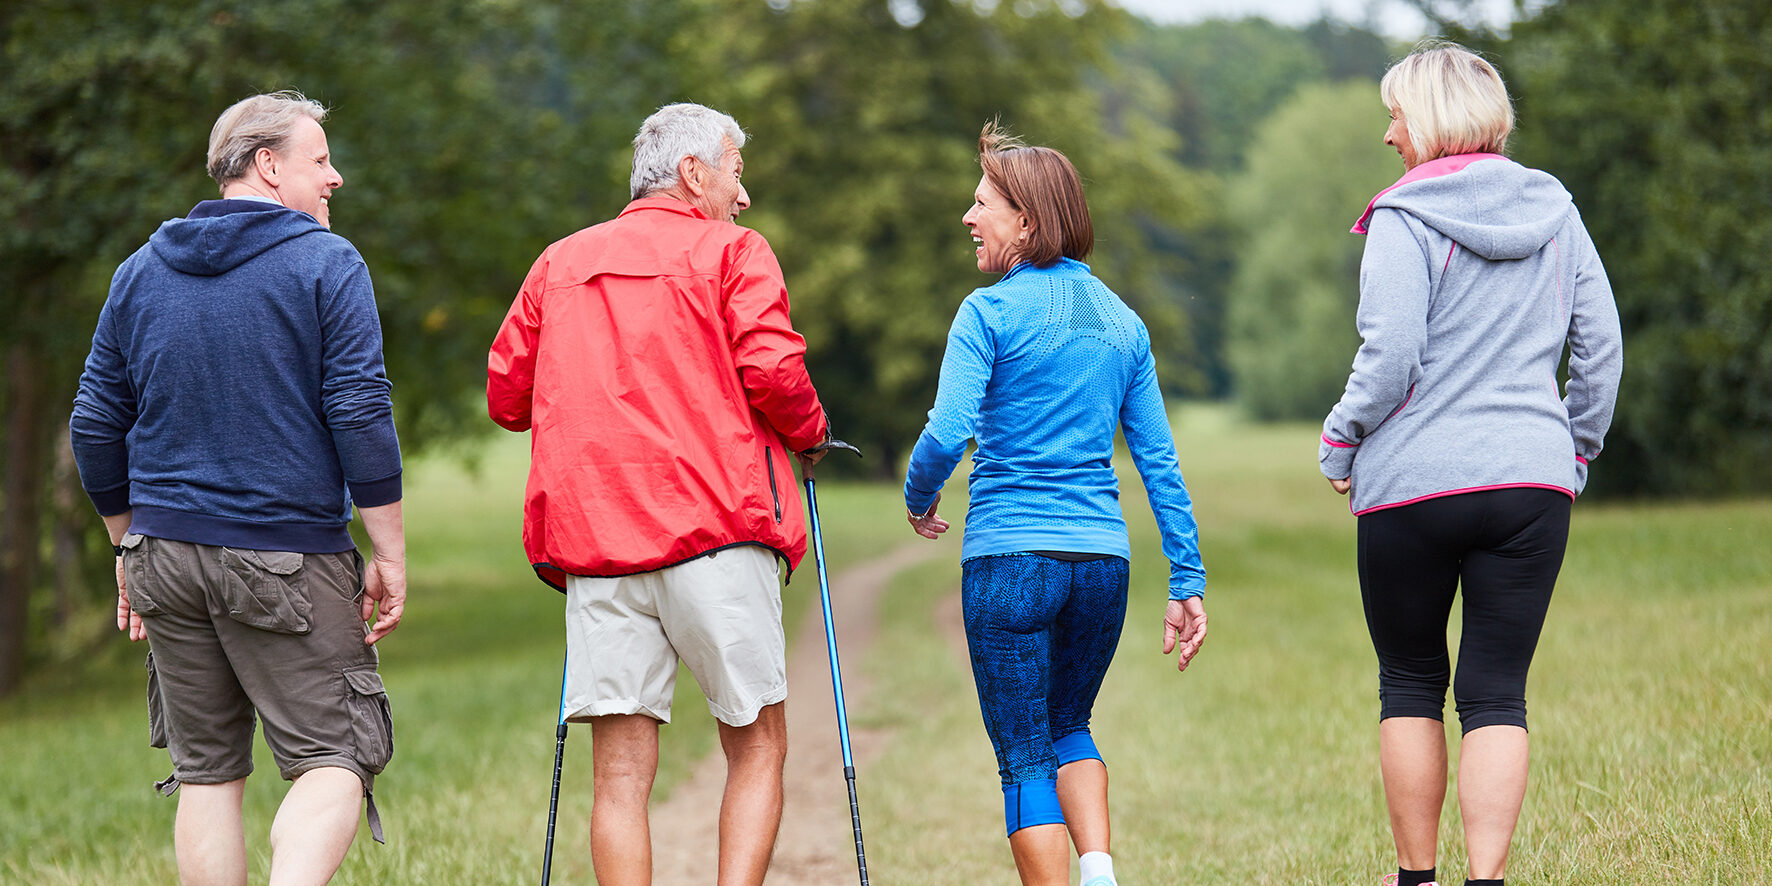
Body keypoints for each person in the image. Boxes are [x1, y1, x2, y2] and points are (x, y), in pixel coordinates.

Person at [486, 102, 830, 886]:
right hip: (717, 530)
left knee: (618, 777)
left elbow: (506, 396)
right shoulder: (734, 252)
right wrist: (811, 434)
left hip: (599, 549)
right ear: (693, 172)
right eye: (737, 173)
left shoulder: (559, 262)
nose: (743, 196)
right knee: (757, 742)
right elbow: (774, 373)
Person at [69, 90, 407, 886]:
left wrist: (128, 541)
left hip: (162, 555)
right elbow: (359, 412)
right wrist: (388, 550)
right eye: (319, 160)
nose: (335, 178)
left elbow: (93, 425)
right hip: (282, 555)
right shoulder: (329, 263)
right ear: (267, 164)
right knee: (336, 756)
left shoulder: (140, 271)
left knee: (209, 773)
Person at [1318, 42, 1623, 886]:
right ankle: (1484, 881)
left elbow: (1389, 358)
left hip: (1413, 486)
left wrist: (1338, 441)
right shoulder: (1556, 210)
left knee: (1411, 681)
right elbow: (1601, 348)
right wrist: (1574, 452)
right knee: (1496, 694)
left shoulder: (1401, 217)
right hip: (1531, 483)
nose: (1389, 135)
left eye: (1396, 115)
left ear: (1431, 120)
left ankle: (1417, 880)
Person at [902, 122, 1209, 886]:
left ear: (1028, 221)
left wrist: (919, 492)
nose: (969, 218)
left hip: (1011, 559)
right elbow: (1159, 462)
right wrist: (1186, 577)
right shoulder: (1125, 324)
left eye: (984, 206)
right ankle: (1098, 872)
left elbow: (946, 430)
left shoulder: (988, 313)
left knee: (1024, 755)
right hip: (1102, 565)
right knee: (1071, 724)